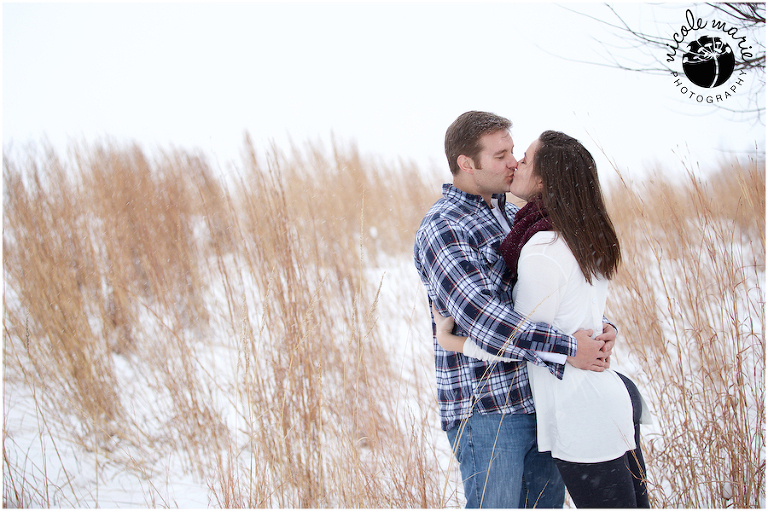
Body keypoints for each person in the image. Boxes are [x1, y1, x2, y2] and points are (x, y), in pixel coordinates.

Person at [432, 130, 650, 508]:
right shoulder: (454, 226)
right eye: (502, 154)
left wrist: (453, 340)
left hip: (569, 406)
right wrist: (582, 339)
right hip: (499, 408)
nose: (514, 162)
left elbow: (523, 320)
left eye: (519, 154)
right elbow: (492, 318)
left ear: (545, 181)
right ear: (467, 163)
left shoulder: (533, 233)